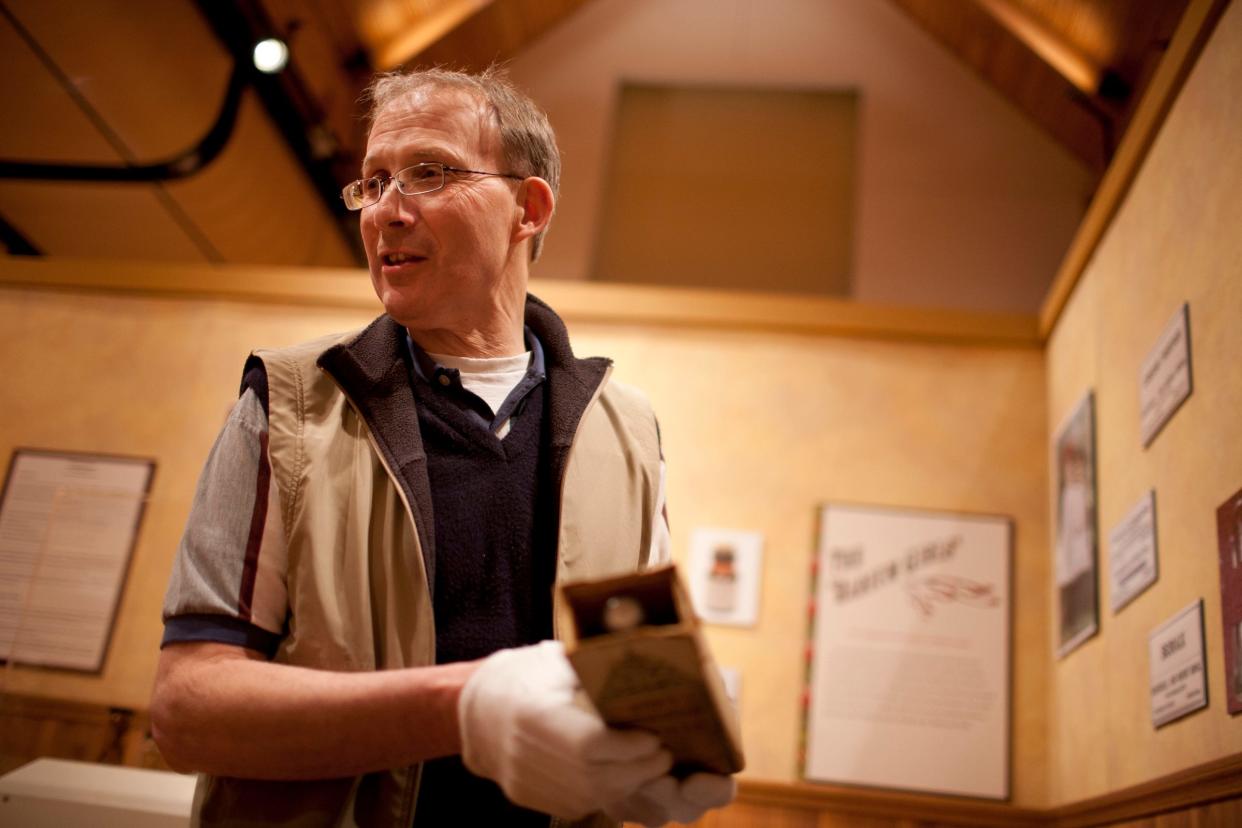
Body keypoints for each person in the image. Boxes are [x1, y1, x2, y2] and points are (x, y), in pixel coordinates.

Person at [150, 67, 736, 827]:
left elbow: (630, 664)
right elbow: (188, 709)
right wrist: (466, 708)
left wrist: (673, 738)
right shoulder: (286, 403)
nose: (386, 213)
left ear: (528, 207)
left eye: (428, 173)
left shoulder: (625, 427)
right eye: (372, 182)